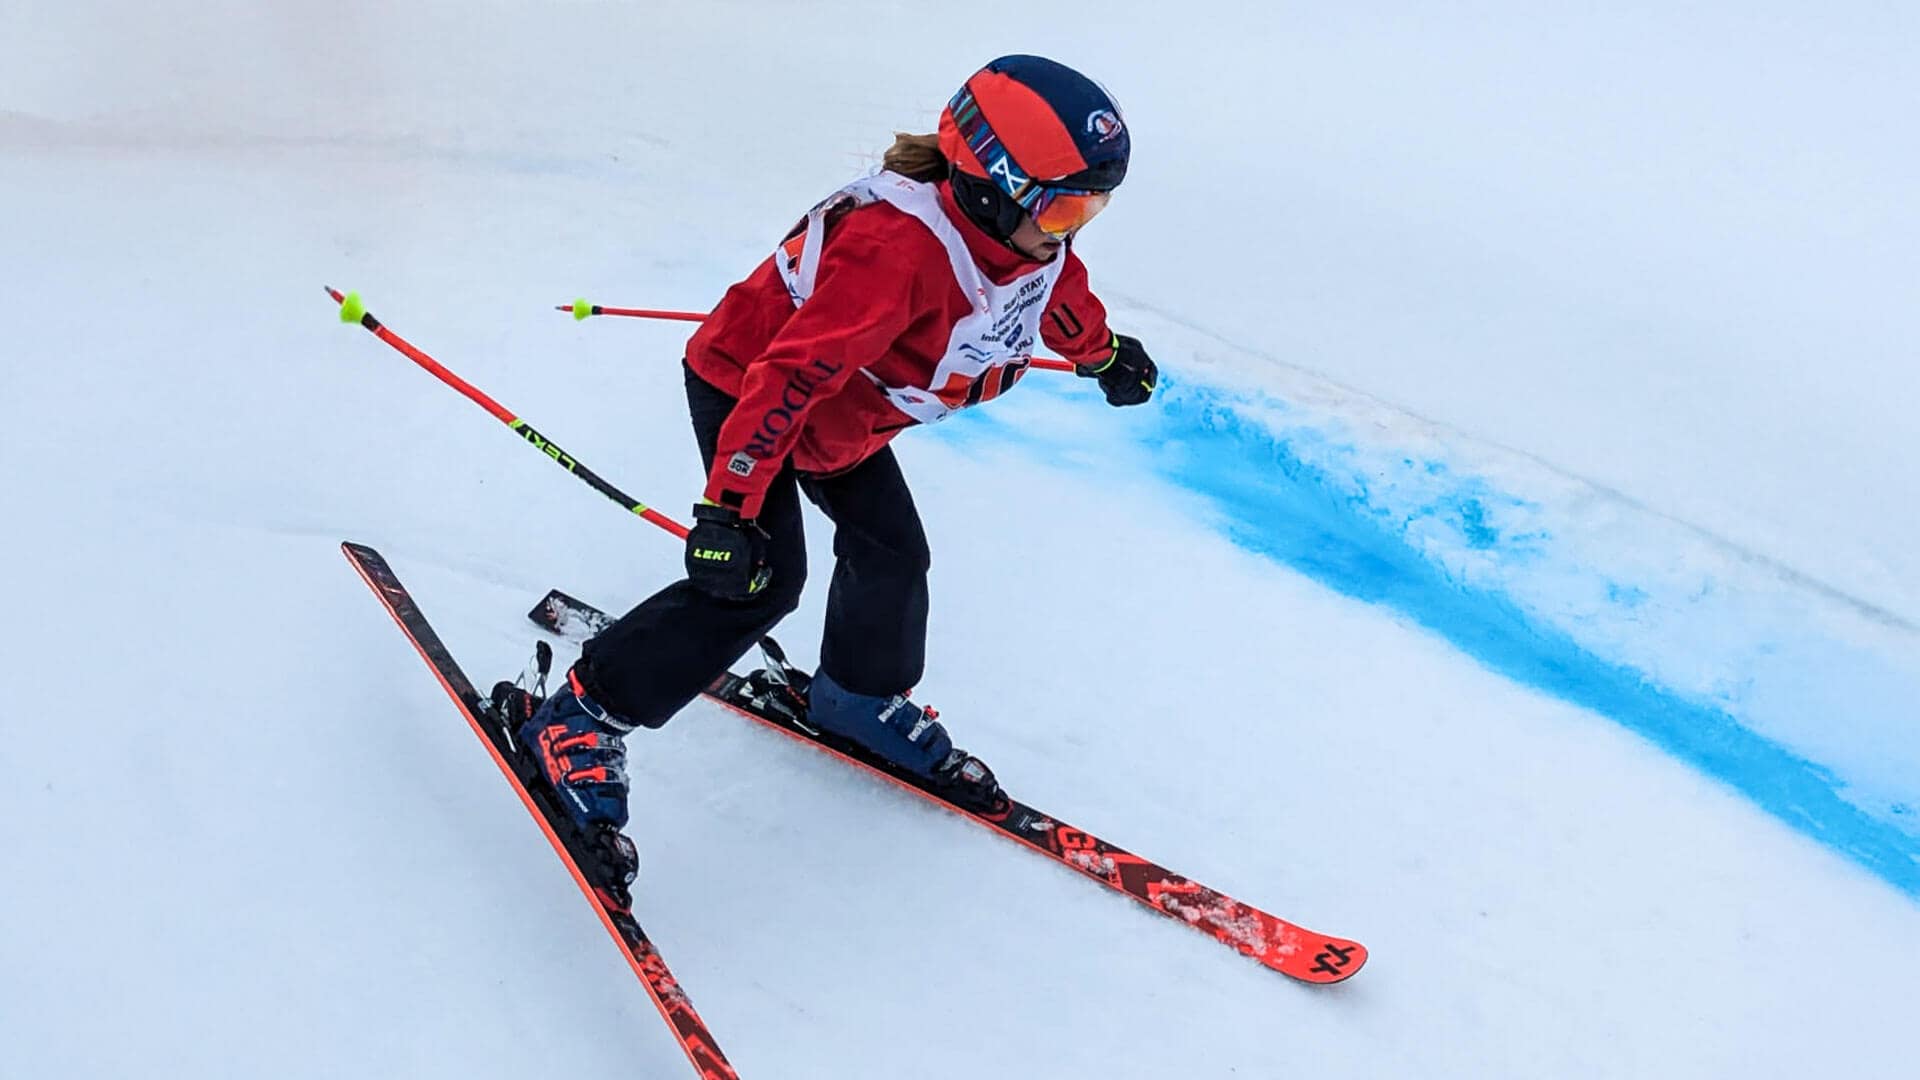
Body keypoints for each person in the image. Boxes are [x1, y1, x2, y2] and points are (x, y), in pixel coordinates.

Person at [505, 55, 1158, 892]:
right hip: (752, 393)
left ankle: (856, 696)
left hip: (845, 420)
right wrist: (728, 511)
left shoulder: (1021, 242)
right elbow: (787, 378)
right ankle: (580, 717)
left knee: (893, 555)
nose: (1075, 228)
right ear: (993, 186)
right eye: (1065, 206)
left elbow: (1051, 294)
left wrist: (1102, 355)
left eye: (1093, 207)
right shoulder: (896, 252)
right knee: (756, 583)